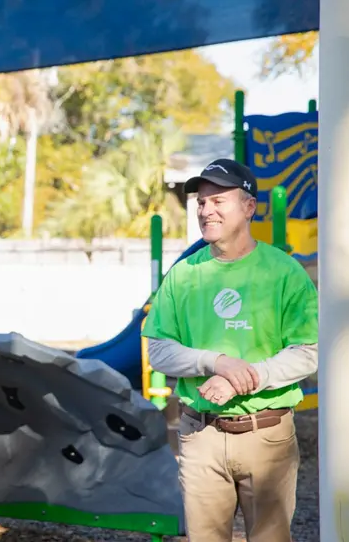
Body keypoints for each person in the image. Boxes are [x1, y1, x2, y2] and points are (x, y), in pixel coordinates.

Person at [141, 158, 318, 542]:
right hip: (199, 435)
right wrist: (214, 362)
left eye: (218, 200)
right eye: (202, 202)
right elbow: (158, 350)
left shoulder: (284, 273)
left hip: (267, 436)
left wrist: (244, 380)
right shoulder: (184, 274)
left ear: (249, 207)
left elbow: (307, 352)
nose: (206, 210)